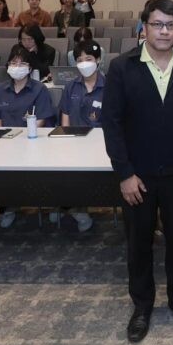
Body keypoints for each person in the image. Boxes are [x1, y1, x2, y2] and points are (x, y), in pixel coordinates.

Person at [102, 0, 173, 343]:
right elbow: (112, 125)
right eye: (157, 24)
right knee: (139, 243)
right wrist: (124, 174)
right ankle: (142, 306)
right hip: (138, 177)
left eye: (171, 25)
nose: (164, 31)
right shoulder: (122, 67)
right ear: (143, 27)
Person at [0, 45, 57, 228]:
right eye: (13, 62)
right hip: (6, 141)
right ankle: (9, 206)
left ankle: (52, 204)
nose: (17, 66)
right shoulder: (1, 89)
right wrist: (0, 139)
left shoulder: (39, 89)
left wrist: (22, 140)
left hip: (34, 141)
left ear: (30, 68)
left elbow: (41, 120)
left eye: (22, 63)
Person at [52, 39, 107, 233]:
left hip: (101, 146)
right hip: (74, 144)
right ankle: (70, 206)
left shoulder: (109, 86)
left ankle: (72, 207)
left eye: (89, 58)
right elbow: (65, 117)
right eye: (80, 60)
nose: (84, 63)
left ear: (98, 60)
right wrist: (66, 143)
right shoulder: (71, 87)